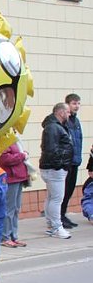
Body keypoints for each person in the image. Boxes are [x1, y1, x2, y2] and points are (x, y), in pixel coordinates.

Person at [39, 102, 74, 239]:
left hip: (52, 167)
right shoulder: (53, 127)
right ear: (61, 112)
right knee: (56, 199)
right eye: (68, 112)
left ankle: (51, 224)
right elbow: (51, 149)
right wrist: (61, 163)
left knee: (51, 197)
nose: (69, 114)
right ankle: (56, 227)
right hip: (54, 168)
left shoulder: (54, 126)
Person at [0, 141, 29, 247]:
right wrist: (22, 155)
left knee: (16, 208)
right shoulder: (3, 140)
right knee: (9, 209)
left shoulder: (15, 140)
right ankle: (5, 237)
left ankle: (14, 236)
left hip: (18, 176)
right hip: (10, 178)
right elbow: (4, 159)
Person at [60, 93, 83, 228]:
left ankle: (63, 214)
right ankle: (59, 217)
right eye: (74, 103)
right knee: (63, 191)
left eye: (78, 103)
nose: (77, 106)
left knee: (69, 190)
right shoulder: (65, 121)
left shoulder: (76, 121)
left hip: (75, 161)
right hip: (67, 162)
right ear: (67, 104)